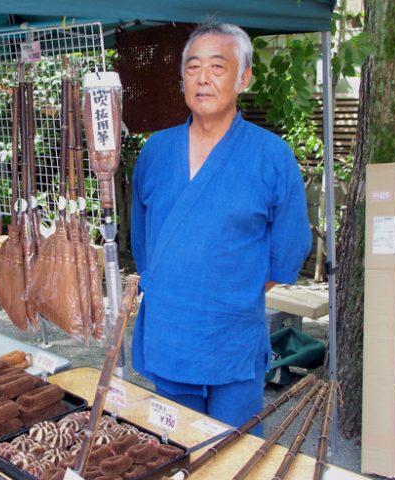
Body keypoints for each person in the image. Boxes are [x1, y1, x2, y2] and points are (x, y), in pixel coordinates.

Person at [130, 23, 311, 433]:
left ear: (243, 78)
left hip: (232, 332)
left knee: (235, 451)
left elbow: (288, 247)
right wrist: (170, 281)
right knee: (171, 449)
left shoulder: (271, 155)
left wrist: (231, 294)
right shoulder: (156, 151)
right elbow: (142, 237)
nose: (203, 78)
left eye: (217, 66)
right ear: (182, 79)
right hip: (170, 328)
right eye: (193, 68)